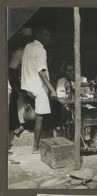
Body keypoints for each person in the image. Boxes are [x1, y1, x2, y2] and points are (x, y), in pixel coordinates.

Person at [21, 26, 57, 154]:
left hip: (28, 87)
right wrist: (52, 89)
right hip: (38, 86)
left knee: (38, 113)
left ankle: (31, 133)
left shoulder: (28, 47)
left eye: (49, 35)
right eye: (46, 35)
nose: (49, 38)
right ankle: (35, 147)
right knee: (40, 117)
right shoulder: (41, 49)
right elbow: (41, 72)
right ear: (39, 36)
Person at [8, 27, 33, 136]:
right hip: (21, 83)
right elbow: (12, 71)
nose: (27, 40)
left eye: (29, 38)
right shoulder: (18, 53)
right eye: (25, 38)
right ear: (22, 39)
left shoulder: (34, 51)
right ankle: (23, 125)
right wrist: (17, 86)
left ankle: (30, 124)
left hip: (33, 83)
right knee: (21, 104)